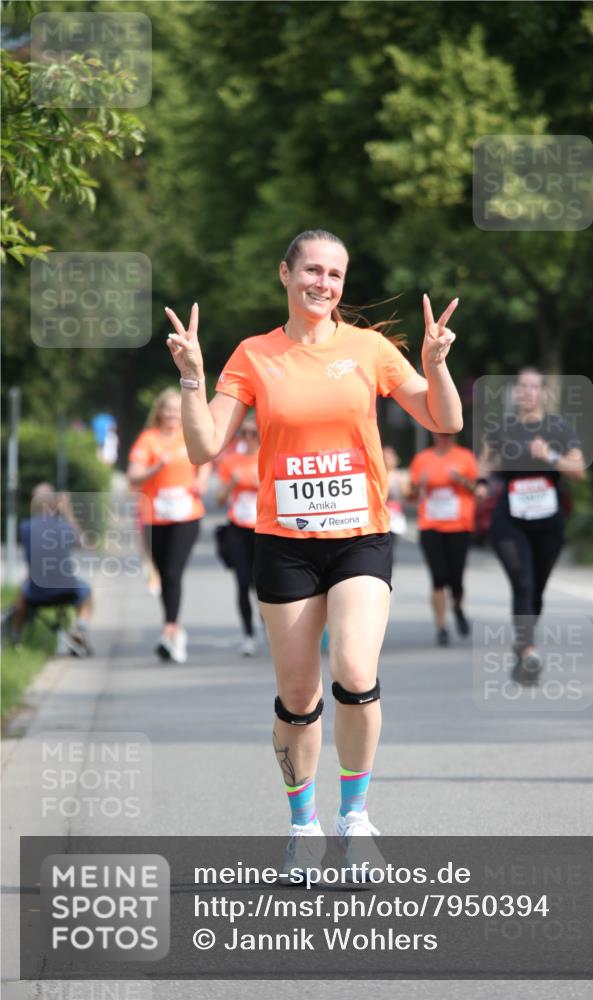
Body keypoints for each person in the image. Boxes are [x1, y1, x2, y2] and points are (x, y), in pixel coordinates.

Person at [164, 228, 462, 866]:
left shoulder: (370, 349)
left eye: (335, 274)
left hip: (360, 536)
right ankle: (304, 824)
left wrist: (436, 365)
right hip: (285, 544)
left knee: (355, 673)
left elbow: (446, 421)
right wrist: (192, 379)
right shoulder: (253, 355)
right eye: (312, 271)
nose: (323, 284)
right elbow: (203, 448)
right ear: (285, 274)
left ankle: (354, 819)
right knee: (299, 699)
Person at [476, 367, 586, 685]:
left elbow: (578, 470)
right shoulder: (504, 429)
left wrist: (549, 454)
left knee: (536, 590)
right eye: (521, 388)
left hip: (548, 521)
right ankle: (528, 650)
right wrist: (482, 483)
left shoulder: (558, 428)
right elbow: (485, 457)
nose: (526, 392)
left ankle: (523, 644)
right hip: (509, 520)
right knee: (522, 581)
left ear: (542, 393)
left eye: (532, 387)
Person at [127, 389, 209, 664]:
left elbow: (207, 456)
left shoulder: (190, 434)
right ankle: (174, 630)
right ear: (159, 412)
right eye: (168, 409)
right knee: (164, 575)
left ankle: (169, 630)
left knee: (173, 573)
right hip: (154, 517)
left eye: (177, 409)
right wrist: (155, 468)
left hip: (187, 515)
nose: (173, 414)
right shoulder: (148, 439)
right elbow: (133, 476)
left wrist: (202, 480)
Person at [409, 433, 478, 646]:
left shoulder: (465, 457)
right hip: (430, 525)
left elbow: (477, 489)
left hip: (459, 526)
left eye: (448, 435)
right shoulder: (422, 459)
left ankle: (457, 606)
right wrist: (418, 485)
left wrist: (461, 480)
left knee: (456, 579)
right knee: (438, 577)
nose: (444, 439)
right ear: (433, 434)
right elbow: (410, 495)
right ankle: (441, 627)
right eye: (440, 435)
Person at [12, 484, 93, 656]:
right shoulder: (64, 527)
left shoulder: (25, 527)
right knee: (87, 592)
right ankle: (78, 630)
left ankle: (15, 638)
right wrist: (67, 511)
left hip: (36, 591)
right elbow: (85, 544)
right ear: (53, 504)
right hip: (67, 590)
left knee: (21, 592)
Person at [216, 417, 260, 656]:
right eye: (244, 433)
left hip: (264, 529)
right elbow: (219, 500)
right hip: (237, 527)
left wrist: (261, 486)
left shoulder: (269, 457)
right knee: (242, 582)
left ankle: (268, 626)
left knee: (263, 584)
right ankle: (247, 634)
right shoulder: (231, 461)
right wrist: (232, 484)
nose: (248, 437)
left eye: (253, 433)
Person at [382, 445, 410, 551]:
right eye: (385, 457)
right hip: (380, 516)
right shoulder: (376, 476)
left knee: (391, 545)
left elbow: (407, 496)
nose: (387, 460)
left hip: (395, 517)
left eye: (389, 457)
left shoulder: (401, 477)